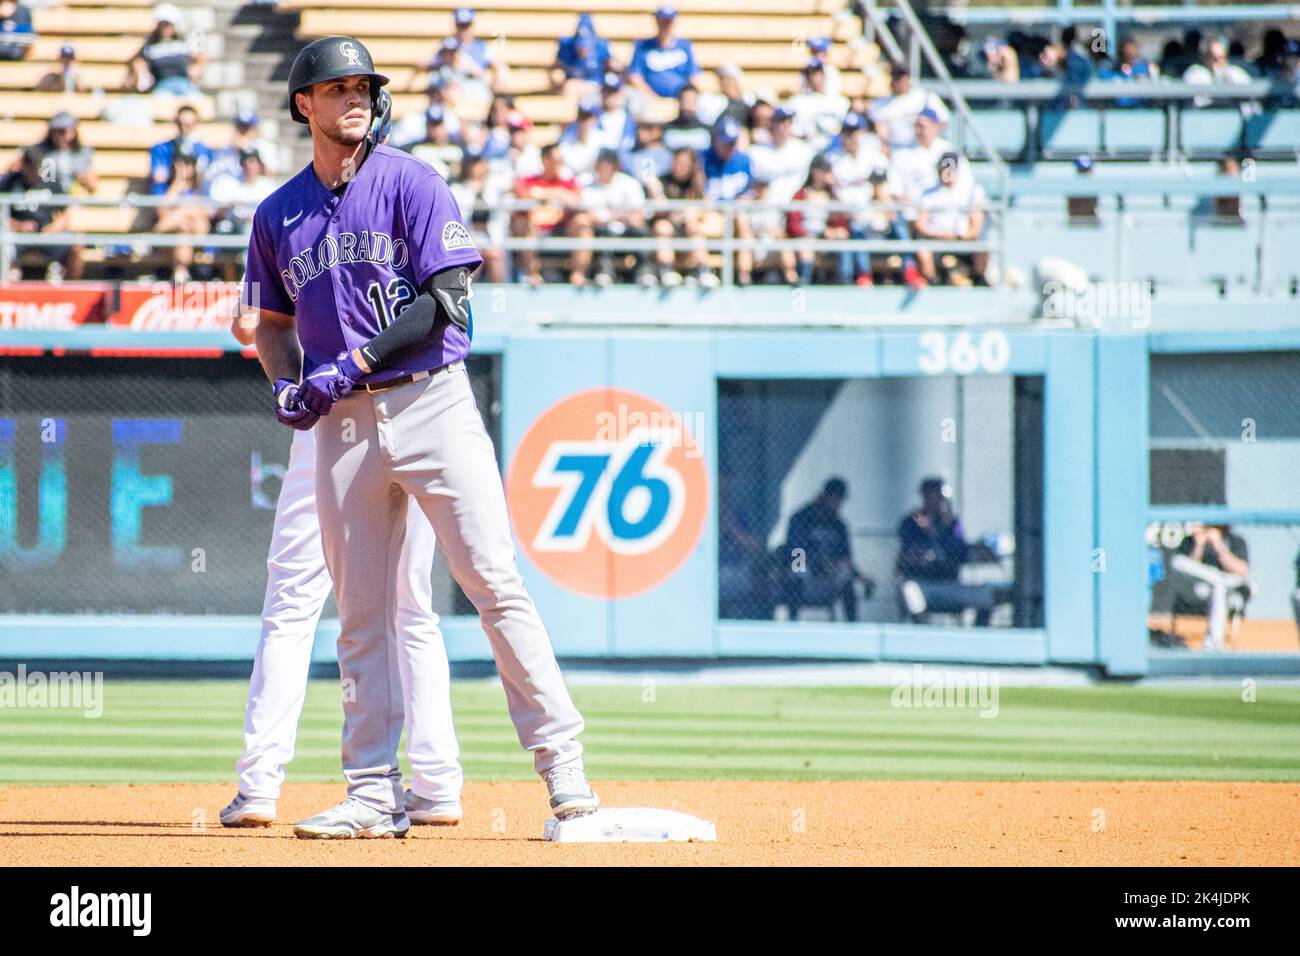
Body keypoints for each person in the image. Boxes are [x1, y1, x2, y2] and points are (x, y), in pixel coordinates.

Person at [244, 36, 597, 839]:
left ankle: (563, 765)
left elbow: (447, 300)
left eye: (363, 84)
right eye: (336, 87)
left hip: (432, 402)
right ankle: (372, 793)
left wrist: (356, 359)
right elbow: (269, 324)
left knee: (494, 584)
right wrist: (287, 383)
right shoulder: (277, 213)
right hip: (340, 425)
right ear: (305, 104)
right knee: (361, 614)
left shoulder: (413, 181)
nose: (354, 97)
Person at [218, 310, 466, 830]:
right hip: (417, 410)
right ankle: (438, 784)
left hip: (330, 419)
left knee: (291, 603)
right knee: (412, 609)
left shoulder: (281, 225)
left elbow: (250, 324)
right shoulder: (404, 226)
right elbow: (440, 305)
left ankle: (260, 784)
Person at [896, 477, 1006, 626]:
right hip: (922, 585)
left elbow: (959, 553)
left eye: (940, 496)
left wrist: (945, 530)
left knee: (986, 596)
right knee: (910, 594)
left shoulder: (952, 524)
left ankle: (978, 636)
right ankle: (923, 636)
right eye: (931, 494)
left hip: (949, 584)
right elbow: (908, 555)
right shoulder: (911, 522)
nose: (936, 499)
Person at [1150, 524, 1250, 652]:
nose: (1210, 529)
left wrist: (1218, 545)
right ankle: (1220, 579)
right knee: (1178, 561)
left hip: (1223, 595)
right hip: (1196, 591)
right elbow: (1187, 570)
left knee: (1218, 589)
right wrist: (1199, 545)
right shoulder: (1190, 540)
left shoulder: (1235, 541)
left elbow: (1242, 571)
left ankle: (1212, 647)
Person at [782, 477, 870, 622]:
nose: (839, 504)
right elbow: (796, 552)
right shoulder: (801, 517)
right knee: (796, 570)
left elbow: (846, 558)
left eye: (841, 500)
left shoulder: (839, 525)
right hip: (807, 575)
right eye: (836, 499)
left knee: (845, 576)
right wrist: (818, 564)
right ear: (826, 496)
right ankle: (793, 623)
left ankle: (853, 626)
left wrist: (860, 576)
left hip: (829, 577)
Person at [512, 141, 591, 286]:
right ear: (545, 161)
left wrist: (545, 194)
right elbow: (523, 194)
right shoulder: (529, 180)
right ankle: (532, 275)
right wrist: (558, 194)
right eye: (557, 160)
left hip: (561, 228)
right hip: (535, 228)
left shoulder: (568, 182)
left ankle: (578, 275)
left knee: (583, 223)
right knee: (529, 223)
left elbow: (576, 200)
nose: (560, 164)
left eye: (561, 161)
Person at [0, 149, 82, 281]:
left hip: (47, 235)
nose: (37, 172)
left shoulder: (51, 181)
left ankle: (69, 291)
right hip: (16, 235)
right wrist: (17, 226)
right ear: (25, 166)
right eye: (32, 167)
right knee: (2, 246)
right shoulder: (10, 182)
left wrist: (54, 228)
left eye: (39, 167)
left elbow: (65, 212)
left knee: (76, 246)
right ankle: (6, 290)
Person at [830, 113, 890, 286]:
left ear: (862, 133)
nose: (851, 137)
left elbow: (882, 189)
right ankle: (855, 276)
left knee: (887, 222)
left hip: (871, 213)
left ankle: (908, 269)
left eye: (854, 132)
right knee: (851, 229)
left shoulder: (873, 156)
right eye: (847, 132)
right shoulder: (833, 158)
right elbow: (831, 193)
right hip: (843, 216)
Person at [581, 148, 654, 286]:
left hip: (628, 229)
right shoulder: (588, 185)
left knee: (641, 230)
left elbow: (638, 213)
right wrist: (619, 215)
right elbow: (591, 216)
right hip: (603, 230)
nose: (604, 168)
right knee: (603, 232)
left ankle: (645, 271)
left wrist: (613, 216)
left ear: (616, 166)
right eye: (602, 164)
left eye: (609, 164)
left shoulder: (629, 183)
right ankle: (604, 272)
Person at [645, 145, 715, 287]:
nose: (679, 167)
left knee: (693, 226)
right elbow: (658, 212)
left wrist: (691, 213)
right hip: (667, 226)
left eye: (684, 164)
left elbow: (707, 207)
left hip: (688, 228)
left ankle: (702, 270)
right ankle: (666, 270)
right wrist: (656, 193)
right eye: (677, 162)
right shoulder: (663, 182)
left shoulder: (696, 184)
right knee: (663, 227)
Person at [915, 152, 987, 286]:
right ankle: (933, 282)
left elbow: (976, 226)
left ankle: (979, 280)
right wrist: (937, 235)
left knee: (984, 249)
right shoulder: (929, 193)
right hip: (936, 240)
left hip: (963, 240)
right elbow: (920, 223)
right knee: (923, 250)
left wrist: (960, 236)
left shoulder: (971, 191)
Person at [784, 154, 853, 286]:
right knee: (806, 248)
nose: (829, 174)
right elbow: (793, 223)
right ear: (815, 172)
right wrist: (805, 234)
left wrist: (834, 231)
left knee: (843, 239)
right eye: (826, 171)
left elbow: (841, 221)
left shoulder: (832, 195)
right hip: (805, 236)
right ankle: (804, 283)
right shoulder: (801, 195)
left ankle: (846, 280)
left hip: (825, 237)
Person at [703, 117, 756, 284]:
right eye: (726, 143)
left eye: (732, 143)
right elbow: (699, 193)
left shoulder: (744, 160)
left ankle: (744, 275)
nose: (729, 148)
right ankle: (703, 271)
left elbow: (750, 192)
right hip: (711, 212)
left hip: (736, 213)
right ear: (716, 140)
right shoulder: (704, 158)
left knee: (742, 221)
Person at [153, 148, 209, 283]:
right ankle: (181, 274)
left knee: (184, 225)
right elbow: (161, 214)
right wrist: (178, 182)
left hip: (197, 236)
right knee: (182, 232)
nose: (185, 167)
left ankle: (180, 274)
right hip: (169, 238)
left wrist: (182, 213)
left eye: (189, 163)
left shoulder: (201, 189)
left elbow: (203, 226)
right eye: (181, 163)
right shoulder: (165, 187)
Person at [449, 154, 506, 283]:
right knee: (475, 258)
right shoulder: (458, 189)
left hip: (489, 237)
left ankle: (498, 294)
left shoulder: (493, 188)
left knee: (495, 257)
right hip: (468, 237)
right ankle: (469, 292)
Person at [868, 64, 949, 153]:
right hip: (896, 150)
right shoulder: (880, 104)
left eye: (903, 77)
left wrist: (924, 130)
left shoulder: (924, 97)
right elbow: (880, 130)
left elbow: (943, 120)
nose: (901, 81)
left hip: (923, 148)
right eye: (897, 78)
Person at [128, 3, 206, 96]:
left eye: (168, 25)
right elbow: (137, 61)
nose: (165, 28)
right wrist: (142, 73)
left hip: (183, 83)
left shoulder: (181, 44)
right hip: (162, 85)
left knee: (195, 100)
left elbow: (200, 57)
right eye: (163, 25)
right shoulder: (151, 46)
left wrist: (196, 70)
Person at [627, 5, 699, 104]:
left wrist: (686, 98)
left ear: (674, 23)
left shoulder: (685, 46)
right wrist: (652, 98)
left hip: (681, 100)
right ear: (657, 22)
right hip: (650, 99)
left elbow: (692, 76)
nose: (665, 25)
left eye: (668, 22)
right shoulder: (642, 46)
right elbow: (635, 76)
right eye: (662, 21)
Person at [21, 112, 97, 197]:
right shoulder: (37, 151)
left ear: (73, 131)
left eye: (62, 131)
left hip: (69, 201)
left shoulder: (81, 154)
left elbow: (93, 187)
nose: (58, 136)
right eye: (54, 131)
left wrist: (84, 180)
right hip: (42, 200)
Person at [750, 107, 813, 207]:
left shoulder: (804, 150)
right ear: (771, 124)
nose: (784, 126)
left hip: (797, 206)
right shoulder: (756, 152)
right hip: (767, 206)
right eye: (779, 122)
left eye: (788, 122)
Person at [784, 60, 849, 152]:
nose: (814, 78)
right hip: (807, 149)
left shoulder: (840, 102)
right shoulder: (797, 102)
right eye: (809, 75)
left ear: (824, 75)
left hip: (835, 149)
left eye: (817, 74)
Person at [149, 105, 213, 194]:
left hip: (194, 197)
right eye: (181, 123)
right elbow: (159, 178)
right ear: (176, 122)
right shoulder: (162, 148)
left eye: (189, 124)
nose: (184, 127)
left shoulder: (204, 149)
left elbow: (205, 180)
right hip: (168, 197)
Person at [550, 12, 613, 99]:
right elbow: (554, 68)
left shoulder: (601, 47)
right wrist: (556, 83)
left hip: (595, 87)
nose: (583, 50)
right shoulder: (566, 48)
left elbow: (612, 68)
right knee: (570, 87)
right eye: (580, 46)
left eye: (586, 46)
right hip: (573, 87)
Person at [404, 105, 464, 181]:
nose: (435, 129)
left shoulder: (457, 148)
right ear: (426, 125)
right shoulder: (415, 148)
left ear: (444, 125)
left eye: (438, 125)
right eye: (431, 125)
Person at [558, 96, 605, 179]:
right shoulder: (565, 140)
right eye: (582, 117)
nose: (585, 121)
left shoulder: (604, 140)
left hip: (596, 185)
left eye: (588, 117)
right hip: (572, 184)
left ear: (595, 119)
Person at [662, 83, 711, 154]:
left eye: (692, 101)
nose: (688, 106)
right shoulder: (667, 129)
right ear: (679, 102)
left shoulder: (707, 130)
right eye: (685, 101)